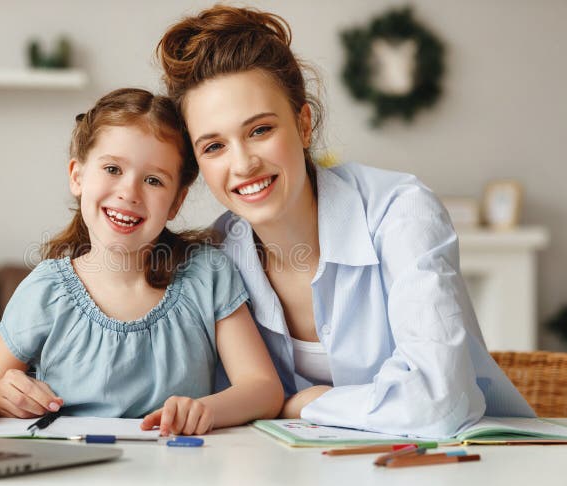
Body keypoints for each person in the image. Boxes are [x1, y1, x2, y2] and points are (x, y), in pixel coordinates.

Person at [157, 6, 534, 438]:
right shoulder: (218, 252)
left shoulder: (400, 212)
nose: (243, 164)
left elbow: (439, 402)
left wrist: (309, 403)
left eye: (260, 130)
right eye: (214, 147)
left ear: (303, 124)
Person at [0, 88, 283, 436]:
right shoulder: (46, 290)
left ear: (176, 202)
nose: (129, 193)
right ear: (77, 176)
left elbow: (264, 389)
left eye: (153, 180)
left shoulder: (207, 274)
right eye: (113, 169)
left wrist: (207, 409)